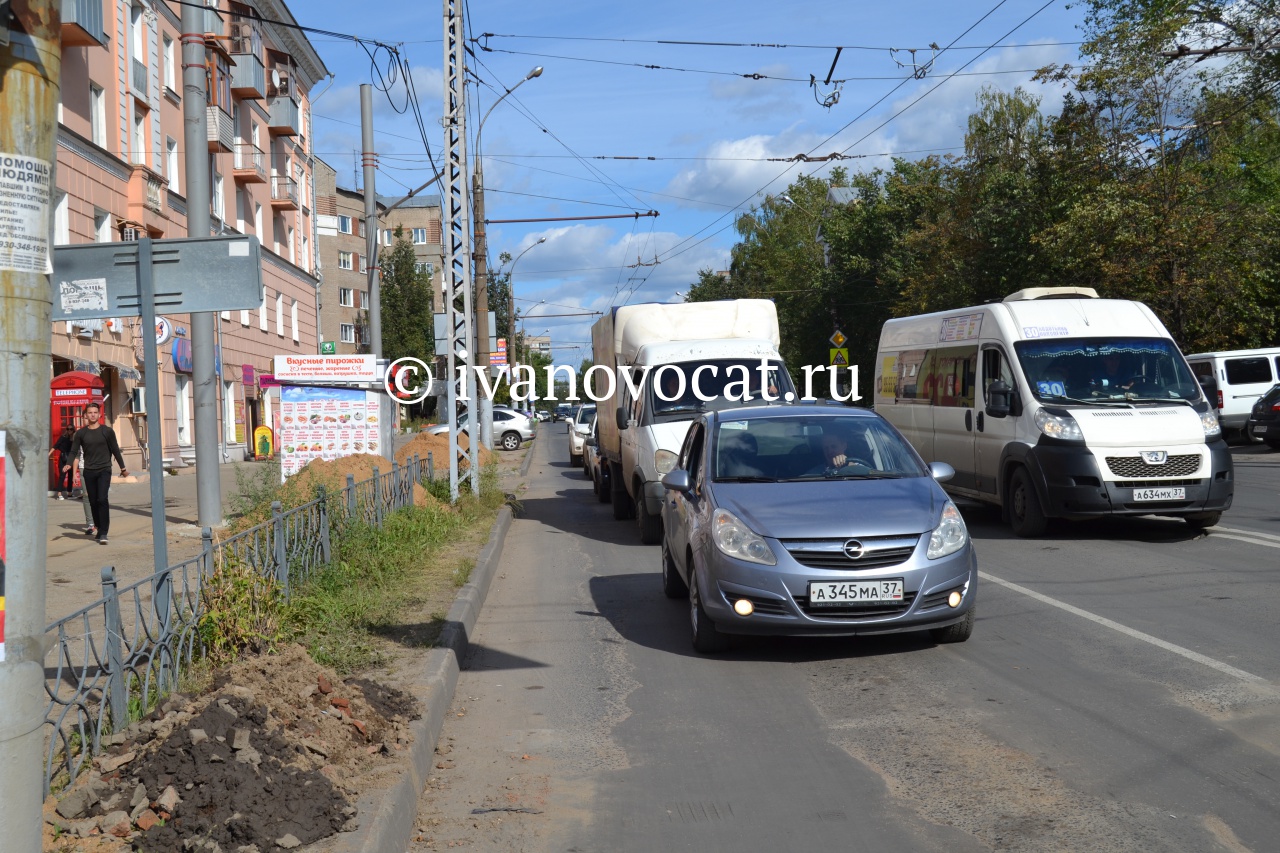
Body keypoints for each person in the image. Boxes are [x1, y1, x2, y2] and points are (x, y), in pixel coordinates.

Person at [63, 403, 128, 545]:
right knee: (92, 501)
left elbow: (115, 449)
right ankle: (98, 527)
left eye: (95, 412)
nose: (92, 415)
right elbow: (74, 451)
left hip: (104, 469)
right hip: (89, 471)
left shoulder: (107, 431)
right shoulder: (81, 433)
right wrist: (68, 463)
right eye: (90, 412)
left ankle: (104, 532)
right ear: (86, 415)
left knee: (102, 499)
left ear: (99, 415)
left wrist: (123, 468)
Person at [804, 428, 872, 476]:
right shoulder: (816, 472)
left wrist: (848, 465)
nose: (829, 451)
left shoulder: (859, 467)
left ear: (844, 446)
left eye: (833, 447)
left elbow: (873, 476)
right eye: (826, 448)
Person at [48, 428, 75, 499]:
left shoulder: (74, 439)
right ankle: (59, 493)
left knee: (70, 476)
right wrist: (49, 454)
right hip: (63, 459)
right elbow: (55, 446)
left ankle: (69, 492)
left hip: (71, 459)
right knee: (62, 476)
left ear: (73, 430)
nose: (69, 431)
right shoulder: (63, 437)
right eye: (68, 429)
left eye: (71, 429)